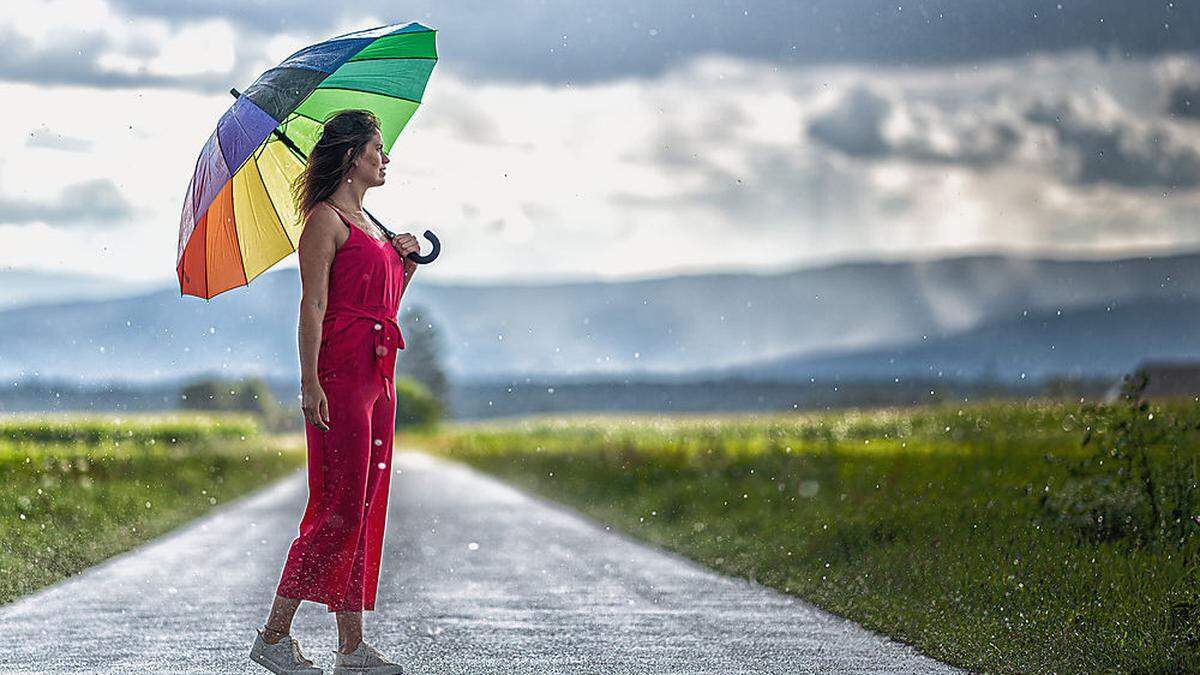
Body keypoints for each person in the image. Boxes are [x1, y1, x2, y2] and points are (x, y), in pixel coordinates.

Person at [248, 109, 421, 675]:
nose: (385, 157)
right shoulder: (324, 221)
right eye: (376, 148)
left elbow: (384, 302)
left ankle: (351, 649)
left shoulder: (368, 224)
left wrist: (405, 260)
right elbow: (314, 305)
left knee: (364, 505)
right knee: (335, 507)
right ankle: (274, 637)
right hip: (341, 374)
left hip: (380, 374)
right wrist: (309, 381)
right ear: (352, 156)